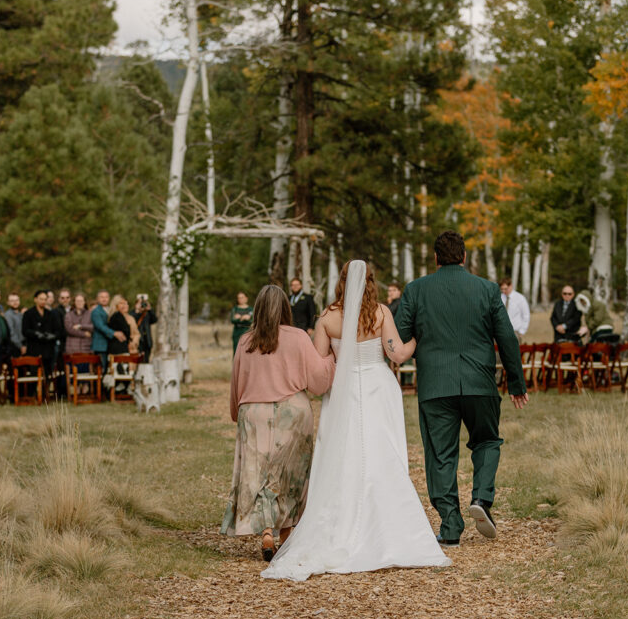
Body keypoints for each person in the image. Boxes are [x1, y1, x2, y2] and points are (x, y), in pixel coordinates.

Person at [262, 261, 452, 581]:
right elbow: (398, 355)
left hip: (343, 393)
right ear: (371, 283)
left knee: (344, 456)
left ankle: (340, 524)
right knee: (381, 453)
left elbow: (318, 367)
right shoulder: (380, 313)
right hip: (379, 388)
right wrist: (417, 337)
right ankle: (387, 528)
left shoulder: (327, 318)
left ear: (342, 282)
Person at [395, 231, 528, 547]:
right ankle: (481, 498)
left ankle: (451, 526)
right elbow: (507, 338)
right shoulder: (487, 289)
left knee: (441, 454)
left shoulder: (415, 290)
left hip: (435, 385)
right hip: (479, 381)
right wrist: (516, 383)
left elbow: (399, 336)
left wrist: (422, 340)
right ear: (464, 257)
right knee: (487, 440)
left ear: (435, 258)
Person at [225, 285, 336, 561]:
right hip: (292, 411)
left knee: (258, 472)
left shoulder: (245, 340)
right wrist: (333, 358)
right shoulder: (298, 337)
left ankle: (265, 531)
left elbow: (236, 385)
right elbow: (318, 381)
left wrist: (236, 413)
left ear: (257, 309)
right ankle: (287, 532)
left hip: (253, 413)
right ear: (286, 307)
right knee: (292, 473)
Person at [23, 290, 60, 377]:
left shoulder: (51, 314)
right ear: (35, 299)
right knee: (34, 375)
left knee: (47, 375)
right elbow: (25, 330)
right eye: (41, 299)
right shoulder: (28, 314)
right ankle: (34, 391)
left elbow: (58, 330)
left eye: (45, 299)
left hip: (48, 350)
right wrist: (36, 334)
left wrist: (52, 336)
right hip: (34, 350)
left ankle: (45, 390)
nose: (43, 301)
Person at [91, 290, 125, 373]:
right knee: (101, 370)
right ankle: (99, 386)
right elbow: (100, 326)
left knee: (110, 369)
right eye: (102, 297)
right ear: (97, 299)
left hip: (110, 345)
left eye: (106, 297)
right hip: (100, 345)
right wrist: (114, 333)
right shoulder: (96, 311)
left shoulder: (110, 310)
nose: (104, 299)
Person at [133, 295, 158, 363]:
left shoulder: (147, 314)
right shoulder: (133, 313)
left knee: (146, 360)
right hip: (138, 341)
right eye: (140, 303)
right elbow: (132, 320)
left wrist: (150, 309)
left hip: (147, 341)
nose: (142, 305)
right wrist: (137, 311)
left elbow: (155, 320)